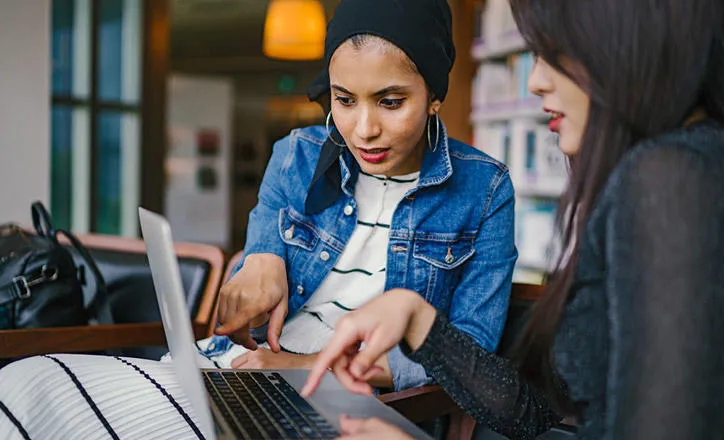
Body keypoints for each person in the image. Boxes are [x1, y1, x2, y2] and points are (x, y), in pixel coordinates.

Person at [0, 1, 520, 438]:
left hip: (344, 404)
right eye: (343, 100)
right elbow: (251, 293)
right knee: (27, 382)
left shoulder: (485, 189)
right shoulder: (297, 154)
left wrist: (308, 369)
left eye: (390, 102)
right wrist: (256, 266)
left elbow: (466, 359)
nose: (364, 129)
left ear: (434, 96)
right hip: (235, 369)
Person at [303, 0, 724, 439]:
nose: (535, 81)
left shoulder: (675, 179)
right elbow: (535, 412)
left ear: (633, 38)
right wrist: (418, 320)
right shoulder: (701, 166)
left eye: (556, 52)